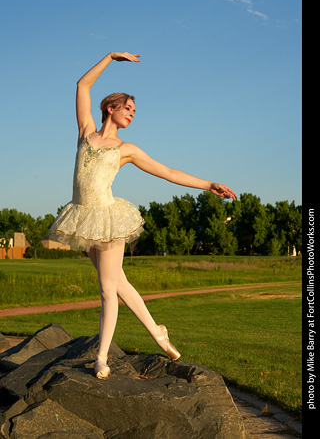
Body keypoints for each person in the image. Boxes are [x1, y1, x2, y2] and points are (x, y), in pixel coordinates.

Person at [49, 51, 237, 379]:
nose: (133, 115)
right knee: (118, 283)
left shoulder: (127, 150)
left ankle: (102, 357)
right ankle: (157, 330)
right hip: (83, 217)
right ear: (111, 107)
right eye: (129, 109)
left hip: (108, 218)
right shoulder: (86, 131)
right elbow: (82, 85)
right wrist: (109, 57)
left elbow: (168, 172)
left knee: (108, 289)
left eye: (135, 112)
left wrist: (208, 185)